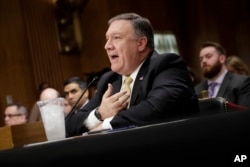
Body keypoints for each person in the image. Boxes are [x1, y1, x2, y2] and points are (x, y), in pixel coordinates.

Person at [65, 13, 199, 137]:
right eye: (107, 39)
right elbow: (69, 126)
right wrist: (99, 114)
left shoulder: (167, 65)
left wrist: (106, 125)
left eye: (116, 38)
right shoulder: (109, 79)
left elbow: (156, 108)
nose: (107, 46)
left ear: (140, 43)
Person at [195, 41, 250, 108]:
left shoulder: (241, 83)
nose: (203, 61)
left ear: (222, 59)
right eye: (201, 59)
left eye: (208, 56)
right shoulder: (196, 90)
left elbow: (245, 114)